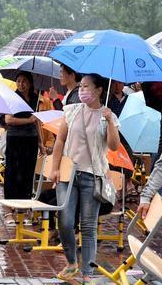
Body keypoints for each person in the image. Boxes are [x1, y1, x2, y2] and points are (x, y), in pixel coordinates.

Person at [51, 74, 120, 283]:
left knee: (88, 227)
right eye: (81, 86)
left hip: (93, 175)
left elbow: (114, 146)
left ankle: (87, 274)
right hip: (67, 175)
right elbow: (60, 140)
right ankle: (72, 262)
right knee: (64, 219)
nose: (82, 90)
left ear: (99, 90)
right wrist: (54, 168)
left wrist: (109, 120)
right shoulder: (71, 111)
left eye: (87, 86)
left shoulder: (108, 116)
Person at [2, 72, 44, 224]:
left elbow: (37, 121)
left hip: (31, 140)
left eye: (24, 81)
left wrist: (41, 142)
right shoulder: (12, 97)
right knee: (12, 174)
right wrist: (28, 120)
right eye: (18, 81)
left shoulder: (35, 98)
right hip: (15, 139)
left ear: (30, 83)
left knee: (27, 175)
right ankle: (8, 211)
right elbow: (9, 120)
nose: (21, 84)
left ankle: (23, 210)